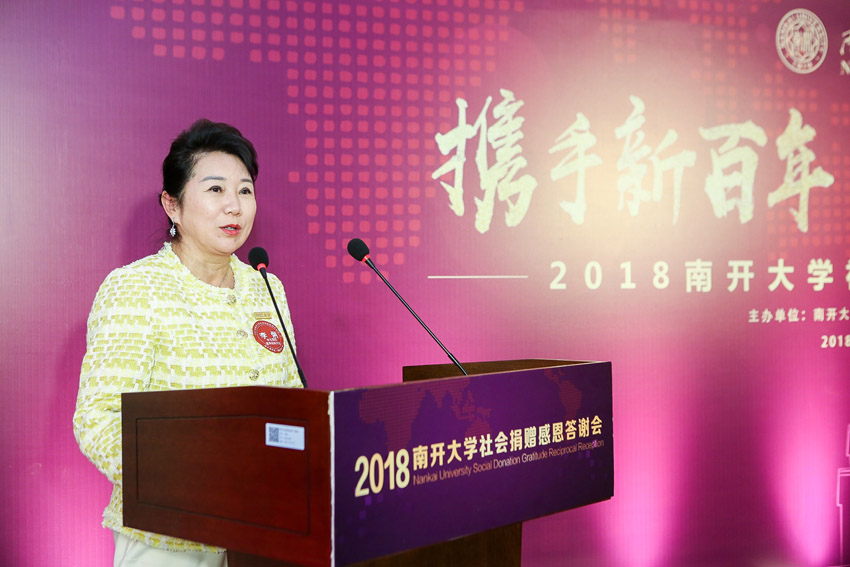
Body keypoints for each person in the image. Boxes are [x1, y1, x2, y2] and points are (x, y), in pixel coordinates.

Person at [73, 119, 302, 566]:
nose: (234, 206)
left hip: (265, 531)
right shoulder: (136, 287)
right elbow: (100, 420)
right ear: (172, 205)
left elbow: (291, 404)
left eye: (245, 190)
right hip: (169, 537)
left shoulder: (266, 287)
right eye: (215, 189)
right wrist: (197, 486)